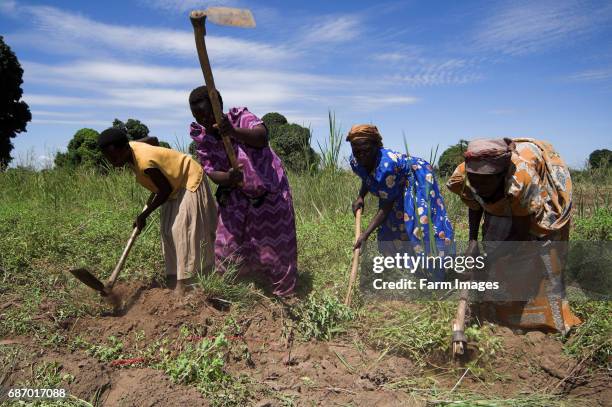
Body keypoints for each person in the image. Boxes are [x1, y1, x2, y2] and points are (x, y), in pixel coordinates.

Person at [446, 138, 581, 334]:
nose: (479, 185)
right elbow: (474, 202)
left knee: (538, 251)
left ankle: (546, 320)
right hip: (507, 199)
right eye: (475, 179)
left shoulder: (521, 180)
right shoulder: (465, 174)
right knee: (495, 245)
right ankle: (499, 311)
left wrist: (486, 260)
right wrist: (472, 242)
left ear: (501, 175)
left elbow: (520, 232)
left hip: (539, 196)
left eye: (487, 180)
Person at [188, 86, 297, 297]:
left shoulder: (240, 117)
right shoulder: (202, 138)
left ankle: (282, 292)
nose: (203, 118)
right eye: (197, 115)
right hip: (235, 195)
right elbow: (211, 171)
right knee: (226, 245)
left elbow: (261, 137)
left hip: (269, 190)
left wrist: (233, 132)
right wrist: (228, 177)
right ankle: (232, 290)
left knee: (275, 246)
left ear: (218, 105)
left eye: (207, 112)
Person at [97, 128, 216, 295]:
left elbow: (164, 191)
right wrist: (162, 162)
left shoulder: (145, 162)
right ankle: (173, 276)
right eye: (109, 158)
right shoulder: (133, 146)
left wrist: (144, 215)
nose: (113, 162)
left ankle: (185, 282)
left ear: (125, 148)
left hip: (187, 178)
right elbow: (153, 139)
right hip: (171, 182)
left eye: (115, 157)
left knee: (181, 230)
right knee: (167, 231)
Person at [347, 124, 454, 258]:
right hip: (394, 182)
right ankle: (404, 261)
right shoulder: (355, 160)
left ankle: (433, 261)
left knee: (419, 224)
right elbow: (367, 176)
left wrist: (365, 235)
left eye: (366, 150)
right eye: (357, 151)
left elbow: (386, 206)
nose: (362, 155)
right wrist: (360, 196)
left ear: (376, 146)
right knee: (395, 222)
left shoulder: (386, 167)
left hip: (417, 177)